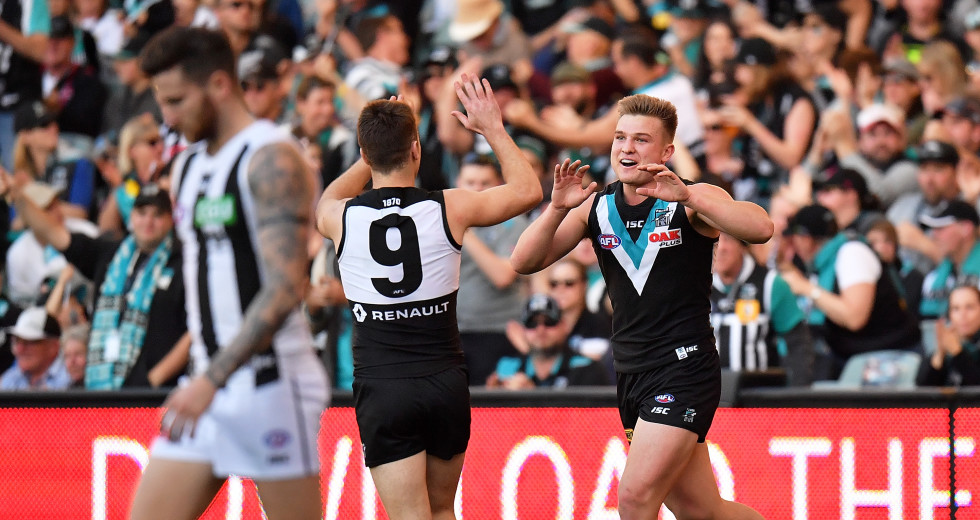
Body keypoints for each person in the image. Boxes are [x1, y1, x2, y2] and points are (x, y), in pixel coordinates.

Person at [509, 93, 771, 519]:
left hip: (684, 367)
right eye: (620, 138)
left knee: (633, 499)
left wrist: (689, 196)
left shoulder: (688, 197)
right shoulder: (595, 205)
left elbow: (761, 228)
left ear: (666, 151)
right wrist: (556, 209)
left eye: (641, 140)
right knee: (702, 511)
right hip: (631, 372)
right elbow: (523, 261)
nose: (626, 148)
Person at [314, 74, 541, 519]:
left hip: (385, 387)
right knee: (442, 512)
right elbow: (527, 191)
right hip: (444, 382)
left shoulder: (339, 215)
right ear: (417, 149)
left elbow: (331, 192)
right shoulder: (449, 205)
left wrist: (378, 145)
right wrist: (493, 127)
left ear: (363, 155)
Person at [128, 27, 328, 520]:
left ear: (219, 85)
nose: (168, 118)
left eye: (176, 101)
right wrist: (208, 378)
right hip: (210, 385)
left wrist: (210, 379)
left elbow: (286, 289)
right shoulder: (188, 167)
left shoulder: (271, 156)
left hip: (269, 384)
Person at [3, 176, 189, 389]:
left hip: (155, 396)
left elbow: (193, 330)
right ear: (132, 216)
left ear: (170, 219)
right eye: (142, 213)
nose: (148, 222)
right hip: (101, 392)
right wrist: (16, 195)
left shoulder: (184, 262)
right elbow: (54, 233)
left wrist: (153, 379)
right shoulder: (109, 254)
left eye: (157, 215)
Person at [780, 204, 921, 380]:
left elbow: (855, 318)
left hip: (890, 357)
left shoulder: (852, 253)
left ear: (805, 239)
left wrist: (807, 289)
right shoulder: (822, 264)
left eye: (794, 239)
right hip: (856, 357)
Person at [711, 232, 813, 386]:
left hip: (756, 397)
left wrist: (796, 398)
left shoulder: (771, 284)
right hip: (710, 396)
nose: (722, 248)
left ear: (742, 246)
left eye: (728, 240)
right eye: (715, 240)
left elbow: (798, 345)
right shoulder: (698, 285)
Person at [487, 293, 609, 389]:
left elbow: (587, 419)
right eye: (532, 324)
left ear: (564, 325)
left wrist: (530, 398)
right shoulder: (507, 367)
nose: (541, 330)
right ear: (523, 329)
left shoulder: (586, 368)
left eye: (549, 322)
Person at [917, 284, 980, 386]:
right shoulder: (948, 348)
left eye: (970, 307)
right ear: (949, 315)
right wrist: (940, 354)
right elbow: (922, 390)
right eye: (956, 309)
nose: (962, 315)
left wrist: (957, 352)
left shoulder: (956, 349)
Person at [0, 307, 69, 390]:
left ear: (53, 346)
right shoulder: (11, 378)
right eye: (16, 341)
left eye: (29, 342)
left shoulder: (71, 377)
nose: (19, 349)